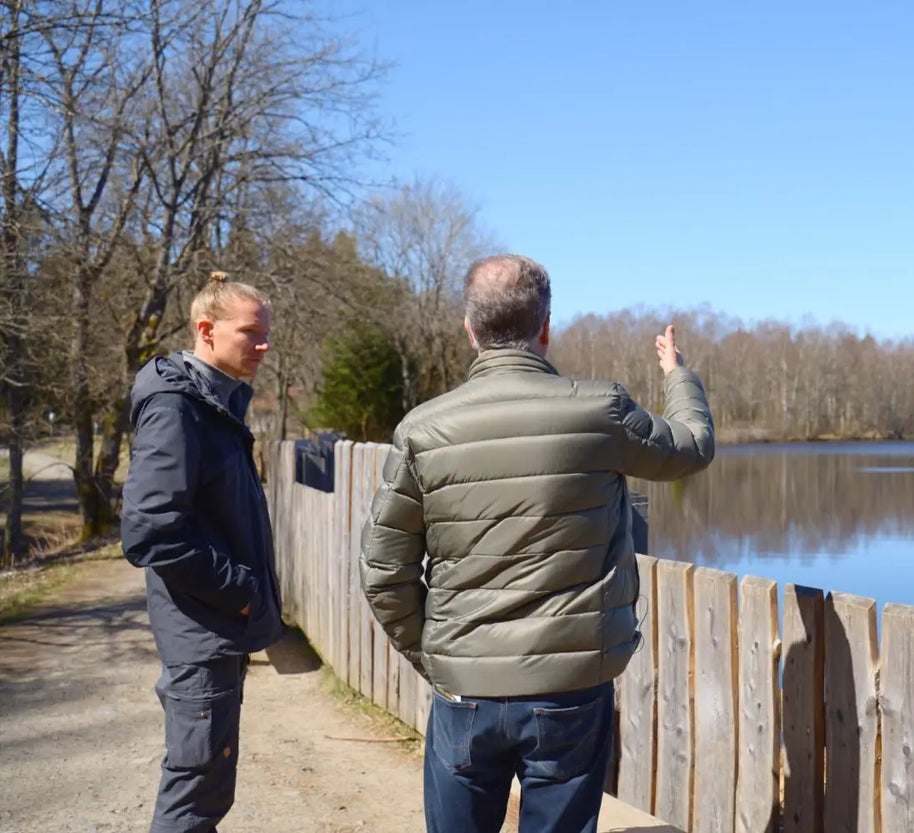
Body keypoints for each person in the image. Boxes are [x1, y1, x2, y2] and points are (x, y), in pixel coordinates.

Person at [360, 254, 714, 833]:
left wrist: (439, 656)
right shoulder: (600, 411)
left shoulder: (422, 429)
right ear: (545, 327)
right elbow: (692, 446)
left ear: (469, 329)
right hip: (569, 691)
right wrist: (678, 375)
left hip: (465, 689)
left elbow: (383, 571)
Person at [122, 273, 284, 833]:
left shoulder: (214, 404)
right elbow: (152, 530)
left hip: (213, 629)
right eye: (251, 333)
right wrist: (240, 594)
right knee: (195, 794)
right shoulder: (178, 407)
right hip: (202, 630)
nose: (263, 345)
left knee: (207, 787)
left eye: (266, 333)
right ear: (207, 330)